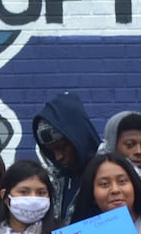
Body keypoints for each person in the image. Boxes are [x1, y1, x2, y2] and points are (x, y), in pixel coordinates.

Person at [32, 92, 101, 223]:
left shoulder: (110, 173)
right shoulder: (56, 180)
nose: (58, 157)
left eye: (62, 147)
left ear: (78, 137)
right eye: (51, 151)